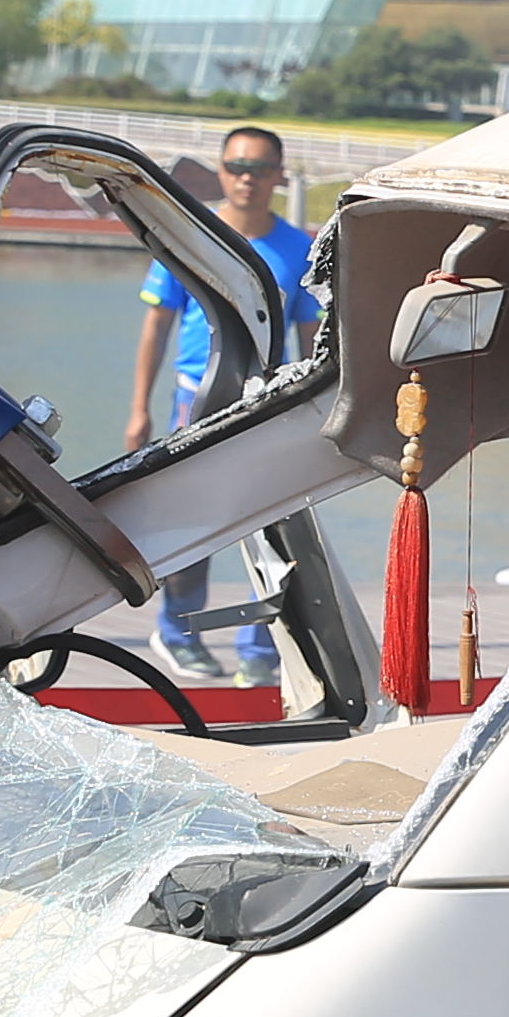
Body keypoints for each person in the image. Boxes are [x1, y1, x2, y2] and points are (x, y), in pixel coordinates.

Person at [127, 125, 315, 678]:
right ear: (220, 170)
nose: (246, 179)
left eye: (258, 169)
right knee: (194, 527)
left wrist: (311, 409)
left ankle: (258, 651)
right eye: (236, 166)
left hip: (269, 405)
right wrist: (138, 408)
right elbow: (156, 326)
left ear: (279, 175)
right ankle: (179, 633)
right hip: (198, 403)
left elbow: (308, 336)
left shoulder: (298, 249)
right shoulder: (189, 235)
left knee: (272, 530)